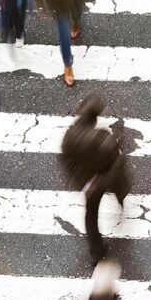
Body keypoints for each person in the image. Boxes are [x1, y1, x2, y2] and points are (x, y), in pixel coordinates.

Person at [61, 95, 130, 264]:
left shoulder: (69, 137)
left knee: (90, 217)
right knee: (118, 187)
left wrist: (84, 184)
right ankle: (121, 200)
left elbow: (67, 162)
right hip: (102, 180)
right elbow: (117, 167)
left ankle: (97, 252)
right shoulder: (104, 138)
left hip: (88, 184)